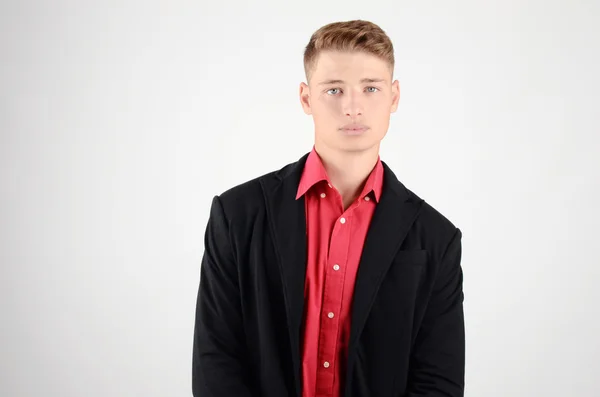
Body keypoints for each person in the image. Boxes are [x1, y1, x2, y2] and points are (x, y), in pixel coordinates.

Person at [192, 19, 465, 397]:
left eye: (370, 88)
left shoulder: (437, 238)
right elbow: (216, 362)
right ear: (306, 98)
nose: (353, 107)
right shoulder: (237, 216)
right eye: (334, 90)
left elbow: (438, 382)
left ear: (394, 97)